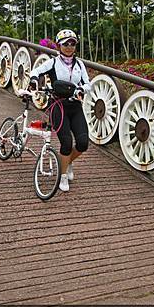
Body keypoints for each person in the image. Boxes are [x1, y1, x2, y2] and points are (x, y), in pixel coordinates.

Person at [29, 29, 91, 192]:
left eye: (73, 43)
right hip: (58, 105)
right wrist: (34, 80)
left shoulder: (79, 64)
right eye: (65, 44)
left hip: (75, 106)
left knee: (83, 142)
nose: (69, 47)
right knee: (66, 143)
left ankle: (68, 161)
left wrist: (81, 90)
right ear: (59, 46)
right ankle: (63, 176)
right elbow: (36, 71)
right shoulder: (53, 63)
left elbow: (88, 84)